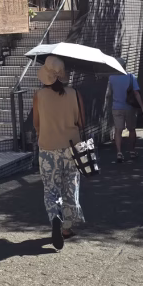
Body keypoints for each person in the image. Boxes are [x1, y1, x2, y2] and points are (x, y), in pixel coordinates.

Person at [33, 55, 85, 251]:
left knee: (51, 188)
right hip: (72, 148)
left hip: (47, 148)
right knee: (71, 186)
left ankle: (55, 216)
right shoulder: (75, 94)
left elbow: (36, 124)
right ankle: (67, 228)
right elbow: (82, 122)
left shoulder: (39, 96)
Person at [108, 57, 143, 162]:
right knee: (132, 129)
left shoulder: (111, 78)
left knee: (118, 130)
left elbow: (109, 93)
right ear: (125, 66)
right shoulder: (131, 77)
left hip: (116, 108)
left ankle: (119, 153)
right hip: (129, 108)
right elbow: (136, 93)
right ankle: (132, 151)